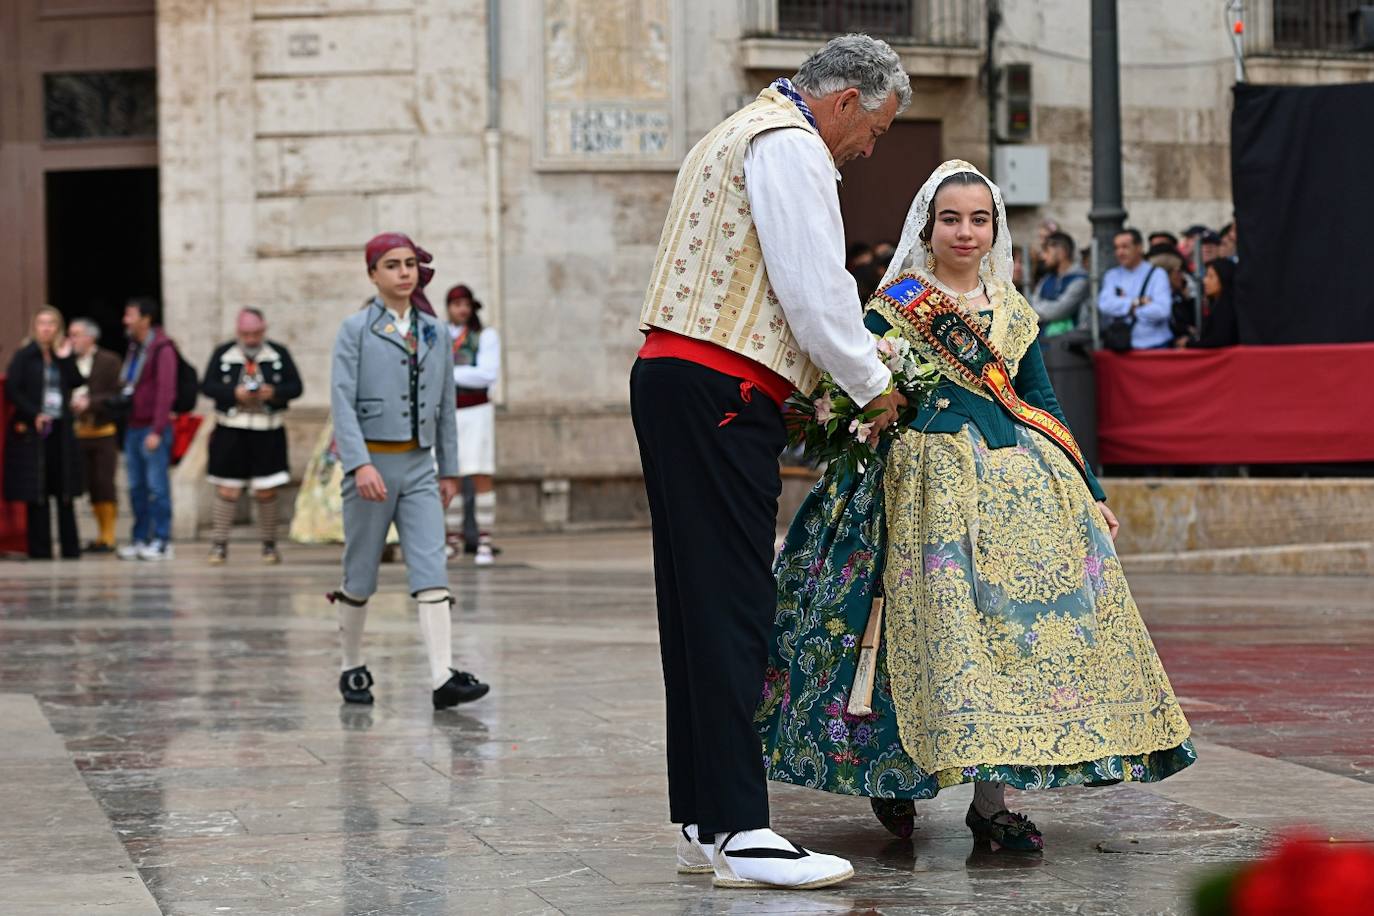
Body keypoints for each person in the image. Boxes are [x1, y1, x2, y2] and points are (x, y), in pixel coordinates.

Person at [757, 160, 1195, 854]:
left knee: (1008, 643)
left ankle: (991, 804)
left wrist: (1091, 490)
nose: (965, 231)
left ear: (996, 229)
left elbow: (1041, 405)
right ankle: (892, 774)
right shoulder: (895, 305)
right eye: (951, 218)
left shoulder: (1014, 310)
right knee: (915, 635)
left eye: (979, 219)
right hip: (917, 491)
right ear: (927, 228)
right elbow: (852, 388)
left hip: (1018, 491)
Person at [632, 35, 909, 890]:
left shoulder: (730, 133)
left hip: (674, 375)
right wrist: (872, 382)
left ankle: (707, 815)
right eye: (876, 129)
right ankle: (746, 833)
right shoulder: (790, 147)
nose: (871, 149)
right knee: (734, 601)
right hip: (722, 385)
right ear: (844, 103)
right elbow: (816, 289)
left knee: (693, 601)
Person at [328, 232, 489, 711]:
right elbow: (342, 402)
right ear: (373, 274)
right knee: (359, 575)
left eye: (410, 264)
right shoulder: (354, 329)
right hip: (371, 466)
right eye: (393, 265)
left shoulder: (436, 333)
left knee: (431, 567)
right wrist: (358, 464)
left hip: (420, 466)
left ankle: (443, 677)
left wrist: (450, 471)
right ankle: (351, 665)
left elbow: (445, 406)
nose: (404, 272)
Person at [201, 308, 304, 565]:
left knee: (266, 490)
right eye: (246, 333)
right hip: (231, 429)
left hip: (267, 430)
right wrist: (233, 394)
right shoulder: (224, 353)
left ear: (264, 329)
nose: (251, 339)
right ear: (238, 331)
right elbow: (208, 386)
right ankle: (219, 545)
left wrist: (274, 392)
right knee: (227, 488)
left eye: (256, 333)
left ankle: (269, 545)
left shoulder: (278, 353)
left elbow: (296, 387)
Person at [4, 307, 84, 559]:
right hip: (35, 430)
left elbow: (76, 381)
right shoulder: (24, 356)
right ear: (35, 327)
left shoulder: (63, 355)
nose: (47, 328)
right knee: (37, 491)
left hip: (61, 429)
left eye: (51, 323)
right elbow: (13, 390)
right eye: (42, 323)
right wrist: (33, 413)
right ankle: (40, 550)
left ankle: (71, 549)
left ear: (58, 327)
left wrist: (65, 358)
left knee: (65, 491)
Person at [442, 284, 502, 565]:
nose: (462, 309)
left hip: (477, 411)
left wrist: (451, 373)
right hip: (448, 412)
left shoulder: (485, 336)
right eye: (456, 304)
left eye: (466, 304)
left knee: (480, 473)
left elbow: (487, 374)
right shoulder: (441, 334)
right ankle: (452, 540)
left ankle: (484, 542)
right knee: (448, 473)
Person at [116, 297, 178, 561]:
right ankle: (140, 537)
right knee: (136, 487)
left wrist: (157, 429)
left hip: (153, 429)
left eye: (130, 315)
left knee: (157, 487)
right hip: (133, 426)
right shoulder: (134, 348)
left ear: (146, 318)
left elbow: (166, 391)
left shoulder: (163, 349)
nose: (125, 320)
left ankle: (162, 540)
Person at [68, 318, 123, 553]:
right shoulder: (67, 361)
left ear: (90, 337)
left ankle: (108, 535)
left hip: (103, 430)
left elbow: (118, 394)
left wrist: (92, 403)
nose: (72, 340)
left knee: (104, 482)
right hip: (77, 431)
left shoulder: (109, 361)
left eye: (76, 334)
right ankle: (98, 534)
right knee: (89, 483)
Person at [1097, 228, 1173, 350]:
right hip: (1121, 346)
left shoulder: (1157, 274)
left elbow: (1162, 310)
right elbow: (1104, 305)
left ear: (1139, 248)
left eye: (1125, 247)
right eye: (1117, 248)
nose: (1120, 252)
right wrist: (1138, 302)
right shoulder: (1112, 276)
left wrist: (1128, 309)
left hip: (1155, 345)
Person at [1030, 230, 1089, 338]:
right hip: (1043, 341)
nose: (1043, 256)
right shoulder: (1047, 279)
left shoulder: (1080, 280)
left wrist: (1037, 312)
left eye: (1047, 251)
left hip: (1067, 345)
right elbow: (1032, 302)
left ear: (1062, 252)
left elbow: (1060, 310)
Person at [1190, 257, 1239, 348]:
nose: (1205, 281)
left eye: (1211, 276)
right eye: (1206, 276)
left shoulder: (1227, 307)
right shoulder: (1216, 303)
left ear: (1224, 278)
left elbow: (1218, 341)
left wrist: (1189, 344)